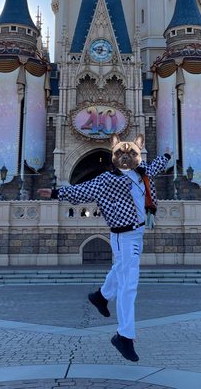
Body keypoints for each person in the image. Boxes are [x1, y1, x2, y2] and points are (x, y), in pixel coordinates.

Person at [54, 133, 171, 362]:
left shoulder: (142, 172)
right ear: (114, 156)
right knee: (129, 284)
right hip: (123, 235)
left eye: (132, 153)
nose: (126, 157)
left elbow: (155, 167)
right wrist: (56, 193)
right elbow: (81, 191)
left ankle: (101, 296)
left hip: (137, 232)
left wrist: (166, 156)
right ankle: (124, 336)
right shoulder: (107, 180)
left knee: (121, 269)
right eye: (120, 153)